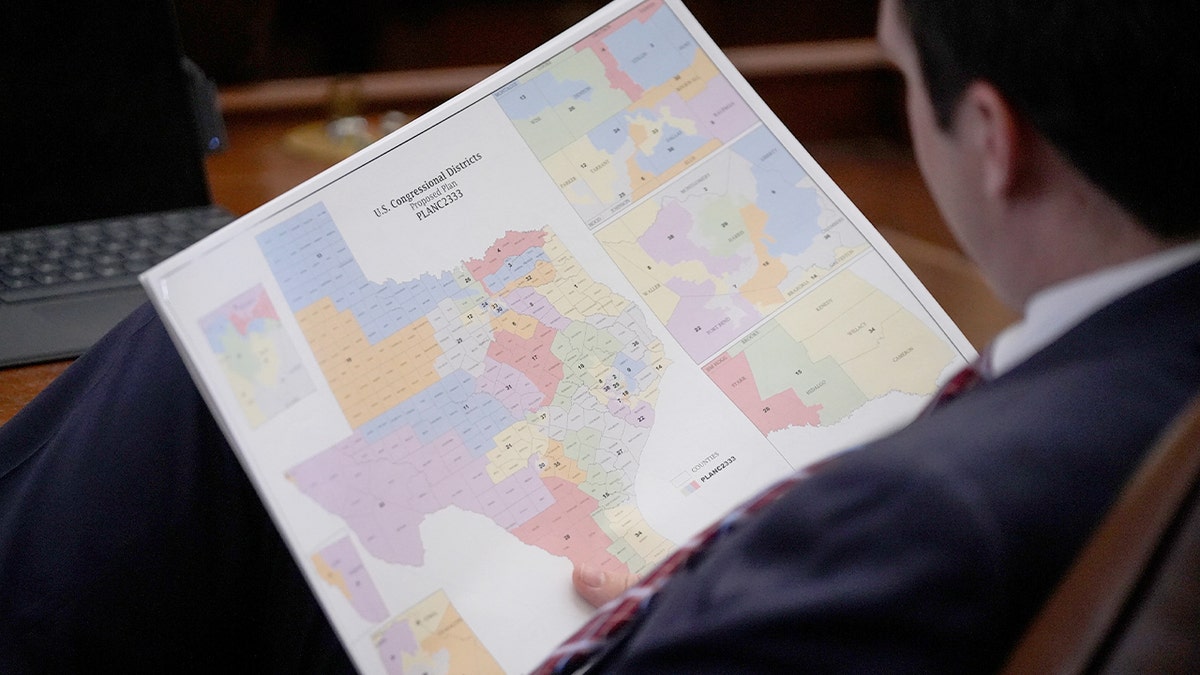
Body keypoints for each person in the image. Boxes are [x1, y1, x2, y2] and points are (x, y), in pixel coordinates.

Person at [1, 0, 1196, 672]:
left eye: (898, 71)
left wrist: (681, 589)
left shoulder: (928, 514)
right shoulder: (1147, 377)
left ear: (991, 136)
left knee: (192, 373)